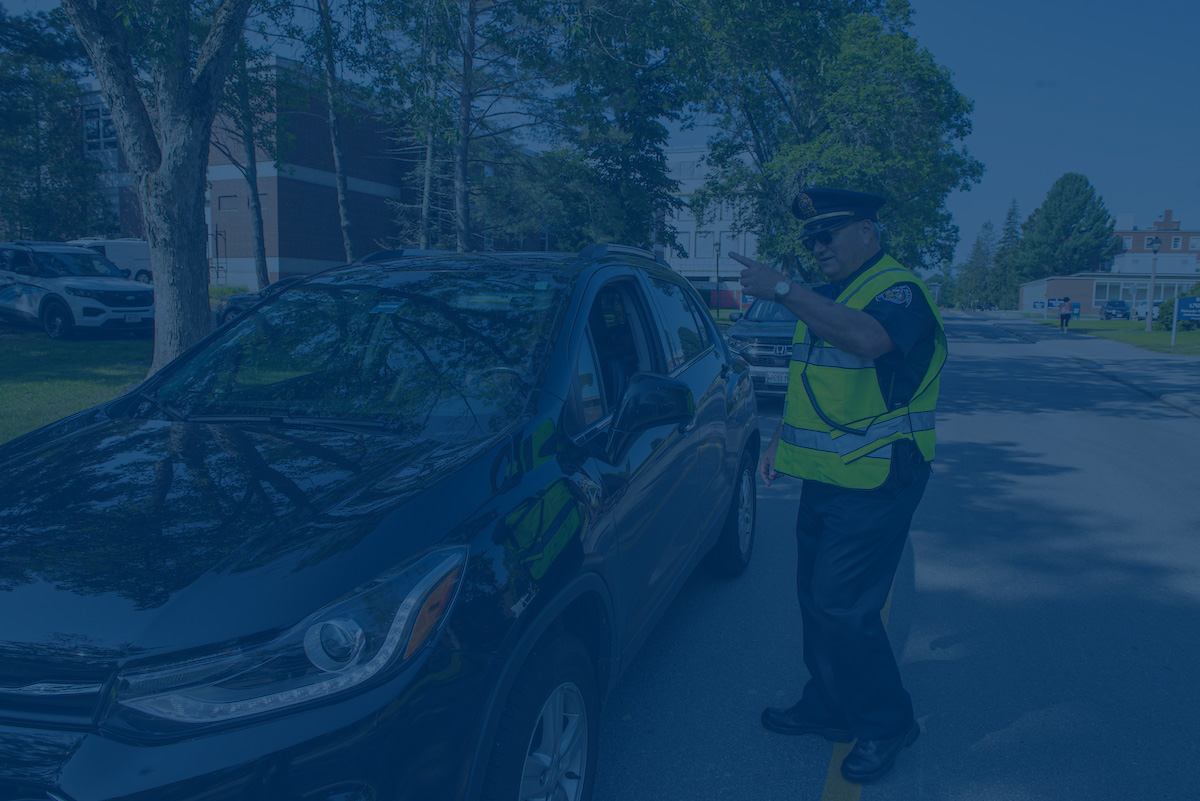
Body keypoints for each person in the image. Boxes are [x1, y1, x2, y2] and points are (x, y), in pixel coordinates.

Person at [731, 188, 947, 784]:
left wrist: (781, 288)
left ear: (868, 232)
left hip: (881, 474)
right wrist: (779, 441)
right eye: (810, 238)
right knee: (815, 599)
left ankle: (887, 723)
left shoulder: (898, 290)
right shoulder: (837, 295)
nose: (817, 245)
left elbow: (870, 341)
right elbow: (815, 384)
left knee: (843, 608)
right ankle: (829, 704)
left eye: (829, 233)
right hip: (829, 474)